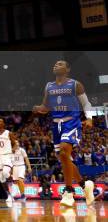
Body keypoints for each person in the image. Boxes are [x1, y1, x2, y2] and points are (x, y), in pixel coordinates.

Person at [33, 60, 96, 206]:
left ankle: (68, 192)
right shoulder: (49, 86)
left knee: (63, 153)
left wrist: (89, 118)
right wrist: (38, 108)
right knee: (64, 158)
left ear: (67, 69)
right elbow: (46, 106)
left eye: (60, 64)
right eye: (55, 64)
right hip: (56, 125)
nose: (56, 65)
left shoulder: (75, 84)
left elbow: (86, 103)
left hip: (72, 122)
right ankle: (85, 185)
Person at [0, 118, 17, 204]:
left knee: (5, 173)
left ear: (3, 124)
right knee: (1, 178)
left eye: (0, 122)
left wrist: (13, 149)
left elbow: (15, 143)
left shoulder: (8, 133)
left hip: (7, 155)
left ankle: (13, 184)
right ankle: (9, 195)